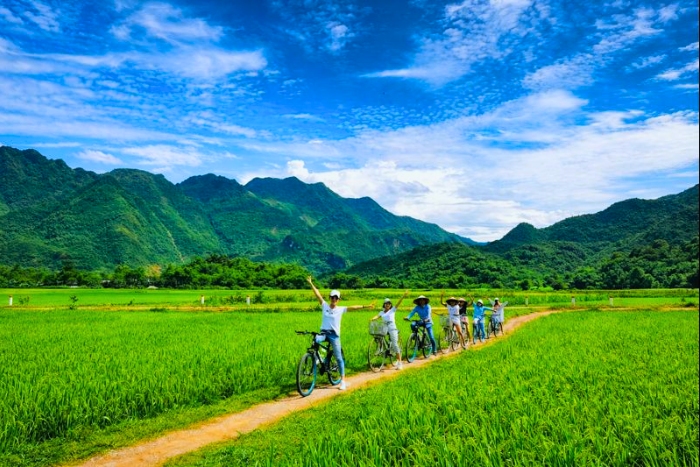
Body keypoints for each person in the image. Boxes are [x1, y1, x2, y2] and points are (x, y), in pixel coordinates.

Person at [307, 276, 374, 390]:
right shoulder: (324, 306)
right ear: (329, 298)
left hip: (334, 335)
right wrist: (310, 283)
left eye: (336, 298)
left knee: (338, 358)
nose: (333, 299)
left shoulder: (340, 309)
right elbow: (317, 294)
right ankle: (318, 359)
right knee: (315, 341)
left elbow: (353, 307)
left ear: (338, 299)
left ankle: (342, 380)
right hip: (323, 332)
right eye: (332, 297)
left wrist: (366, 306)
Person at [371, 290, 409, 369]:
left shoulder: (392, 310)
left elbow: (398, 303)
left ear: (390, 305)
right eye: (386, 303)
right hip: (384, 328)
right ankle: (380, 348)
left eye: (389, 303)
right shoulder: (381, 312)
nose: (387, 305)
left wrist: (403, 296)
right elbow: (377, 316)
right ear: (384, 305)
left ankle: (400, 362)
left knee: (395, 344)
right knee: (378, 337)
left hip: (392, 328)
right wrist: (372, 319)